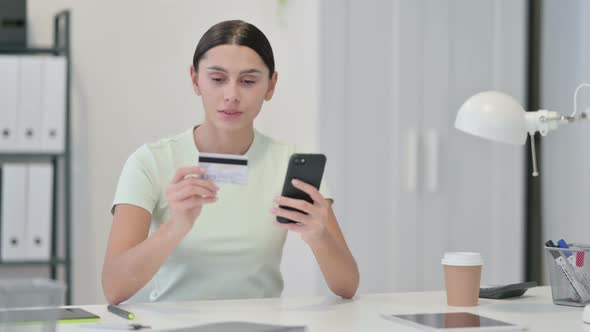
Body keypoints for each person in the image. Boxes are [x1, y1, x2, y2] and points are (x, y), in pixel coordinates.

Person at [101, 20, 359, 304]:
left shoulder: (290, 165)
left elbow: (347, 286)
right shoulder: (149, 162)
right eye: (217, 79)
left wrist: (319, 236)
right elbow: (114, 288)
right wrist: (175, 227)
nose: (231, 96)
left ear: (271, 86)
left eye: (248, 81)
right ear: (195, 79)